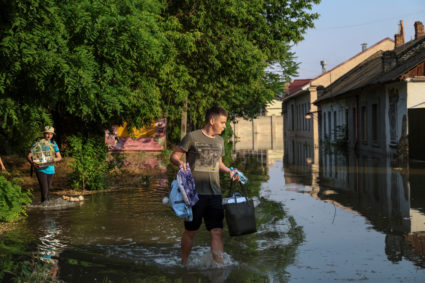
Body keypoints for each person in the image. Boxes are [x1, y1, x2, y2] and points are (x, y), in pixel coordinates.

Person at [170, 106, 237, 265]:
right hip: (194, 194)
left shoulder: (220, 141)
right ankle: (184, 263)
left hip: (215, 194)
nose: (224, 126)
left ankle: (219, 266)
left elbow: (219, 164)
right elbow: (174, 156)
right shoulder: (192, 137)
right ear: (211, 120)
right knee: (191, 231)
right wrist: (180, 163)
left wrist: (229, 171)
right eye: (222, 122)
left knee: (216, 231)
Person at [27, 126, 62, 202]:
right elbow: (29, 156)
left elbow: (59, 157)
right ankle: (45, 210)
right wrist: (32, 163)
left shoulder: (53, 143)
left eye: (51, 134)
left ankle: (45, 209)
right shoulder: (38, 142)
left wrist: (52, 159)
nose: (49, 136)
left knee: (47, 192)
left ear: (53, 135)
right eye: (47, 134)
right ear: (44, 133)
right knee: (45, 191)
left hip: (51, 170)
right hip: (40, 169)